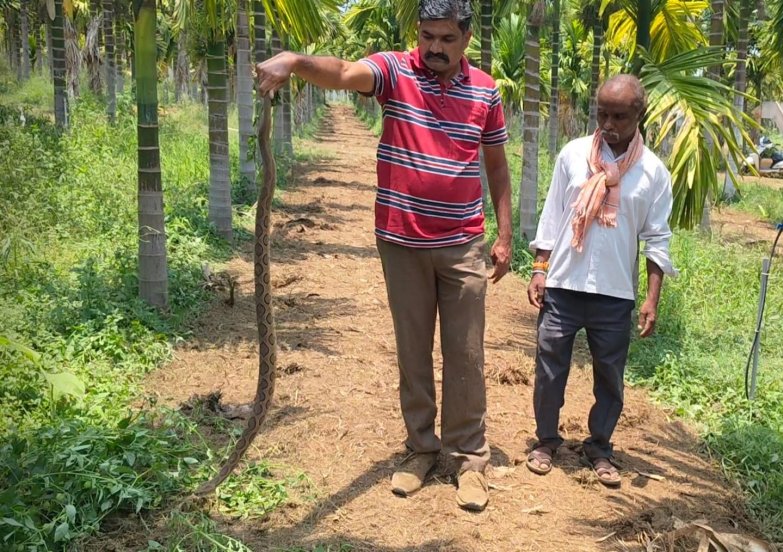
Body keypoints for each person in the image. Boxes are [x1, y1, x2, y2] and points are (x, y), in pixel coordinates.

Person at [256, 0, 512, 511]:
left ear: (465, 38)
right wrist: (295, 61)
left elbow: (498, 167)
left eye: (445, 38)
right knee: (412, 348)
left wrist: (505, 234)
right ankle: (420, 449)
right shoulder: (395, 71)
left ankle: (468, 459)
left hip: (462, 243)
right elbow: (347, 73)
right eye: (427, 36)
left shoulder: (486, 90)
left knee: (466, 354)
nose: (434, 48)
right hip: (401, 240)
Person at [524, 75, 677, 487]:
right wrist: (540, 269)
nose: (608, 124)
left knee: (609, 376)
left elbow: (658, 238)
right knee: (549, 368)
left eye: (619, 116)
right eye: (602, 114)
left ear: (638, 115)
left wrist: (651, 299)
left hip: (614, 294)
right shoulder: (573, 155)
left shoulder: (652, 173)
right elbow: (553, 215)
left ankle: (599, 447)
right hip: (563, 284)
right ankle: (545, 441)